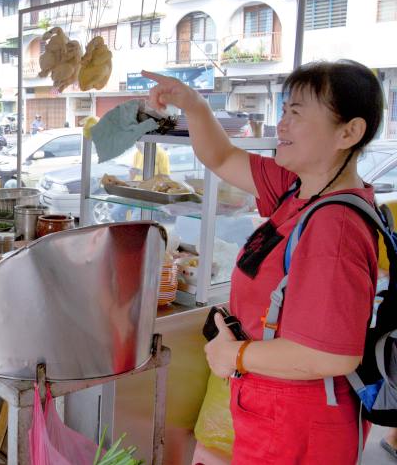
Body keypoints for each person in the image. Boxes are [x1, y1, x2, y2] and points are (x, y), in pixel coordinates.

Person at [143, 60, 382, 464]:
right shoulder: (299, 190)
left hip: (300, 425)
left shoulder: (334, 227)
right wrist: (193, 104)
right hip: (273, 411)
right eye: (284, 110)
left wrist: (233, 355)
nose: (281, 124)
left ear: (349, 132)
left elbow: (333, 356)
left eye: (297, 113)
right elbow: (220, 157)